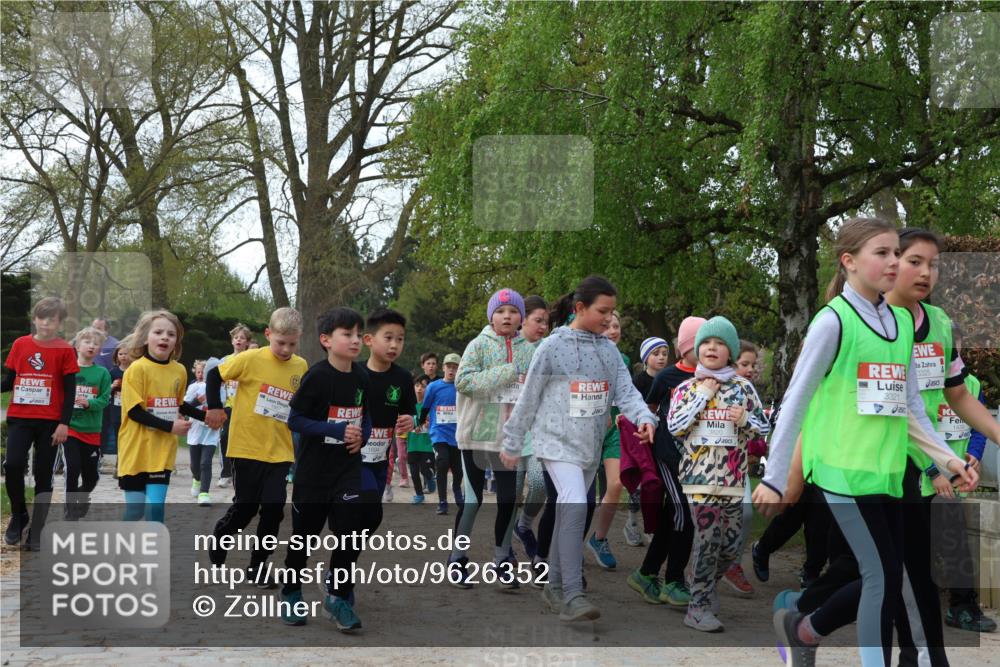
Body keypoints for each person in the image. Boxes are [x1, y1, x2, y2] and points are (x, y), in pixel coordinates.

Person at [753, 217, 977, 667]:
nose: (894, 262)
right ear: (849, 262)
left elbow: (911, 407)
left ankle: (804, 631)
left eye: (898, 253)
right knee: (881, 578)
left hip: (889, 476)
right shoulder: (832, 321)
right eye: (883, 253)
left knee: (890, 577)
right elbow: (796, 400)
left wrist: (947, 460)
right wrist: (776, 477)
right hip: (843, 474)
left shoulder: (897, 322)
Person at [500, 275, 657, 623]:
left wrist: (645, 417)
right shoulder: (551, 348)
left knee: (571, 512)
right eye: (603, 311)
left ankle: (554, 586)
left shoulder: (609, 351)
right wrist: (511, 441)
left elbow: (627, 393)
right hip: (555, 443)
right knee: (574, 505)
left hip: (589, 446)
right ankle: (572, 592)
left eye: (613, 312)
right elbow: (528, 399)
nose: (609, 318)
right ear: (580, 308)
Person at [884, 228, 1000, 649]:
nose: (925, 272)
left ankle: (925, 655)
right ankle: (809, 624)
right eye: (915, 261)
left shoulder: (941, 326)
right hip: (872, 466)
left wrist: (993, 435)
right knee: (868, 576)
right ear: (892, 262)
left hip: (922, 464)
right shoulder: (867, 322)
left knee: (915, 573)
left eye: (934, 265)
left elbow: (958, 395)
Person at [666, 316, 769, 631]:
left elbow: (764, 428)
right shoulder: (687, 388)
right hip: (699, 478)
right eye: (706, 342)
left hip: (734, 480)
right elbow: (675, 427)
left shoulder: (744, 388)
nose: (712, 348)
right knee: (708, 538)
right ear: (697, 349)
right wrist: (702, 396)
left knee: (729, 547)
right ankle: (697, 607)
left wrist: (745, 420)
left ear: (731, 352)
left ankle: (701, 583)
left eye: (720, 343)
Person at [280, 307, 371, 631]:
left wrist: (364, 438)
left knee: (350, 532)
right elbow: (296, 420)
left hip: (346, 469)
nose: (355, 340)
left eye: (358, 334)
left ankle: (337, 597)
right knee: (304, 538)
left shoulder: (361, 376)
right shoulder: (317, 376)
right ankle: (291, 590)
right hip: (313, 473)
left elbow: (366, 415)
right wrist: (334, 430)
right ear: (326, 340)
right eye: (347, 334)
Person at [205, 308, 307, 586]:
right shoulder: (250, 358)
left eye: (292, 343)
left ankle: (257, 567)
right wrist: (215, 408)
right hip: (246, 447)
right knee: (246, 508)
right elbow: (215, 375)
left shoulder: (301, 367)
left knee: (274, 509)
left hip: (280, 450)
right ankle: (221, 534)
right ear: (267, 334)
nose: (286, 349)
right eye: (280, 342)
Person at [448, 288, 535, 589]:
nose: (507, 316)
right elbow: (463, 381)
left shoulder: (530, 349)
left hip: (509, 440)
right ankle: (457, 557)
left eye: (513, 311)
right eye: (500, 311)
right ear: (491, 316)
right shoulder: (478, 345)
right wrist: (507, 372)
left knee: (509, 501)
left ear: (521, 317)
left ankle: (502, 559)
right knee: (472, 501)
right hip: (476, 435)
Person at [628, 316, 704, 607]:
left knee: (674, 517)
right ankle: (673, 580)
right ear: (685, 348)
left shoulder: (712, 378)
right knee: (683, 515)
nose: (710, 349)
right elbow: (648, 409)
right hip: (668, 455)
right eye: (703, 343)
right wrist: (647, 432)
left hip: (696, 459)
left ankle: (646, 573)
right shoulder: (666, 377)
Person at [2, 297, 79, 549]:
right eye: (42, 317)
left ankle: (38, 528)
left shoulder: (65, 349)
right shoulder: (21, 344)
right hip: (20, 418)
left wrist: (64, 424)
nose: (47, 322)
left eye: (53, 319)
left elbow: (70, 391)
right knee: (12, 465)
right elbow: (8, 381)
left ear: (59, 323)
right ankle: (19, 514)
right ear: (35, 319)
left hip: (50, 423)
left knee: (43, 474)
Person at [117, 310, 204, 523]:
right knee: (135, 512)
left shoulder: (180, 370)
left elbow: (179, 403)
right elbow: (135, 412)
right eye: (158, 332)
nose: (165, 337)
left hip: (161, 452)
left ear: (176, 342)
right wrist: (171, 427)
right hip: (135, 452)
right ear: (146, 338)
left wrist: (206, 416)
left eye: (171, 334)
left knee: (155, 511)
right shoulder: (136, 370)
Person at [361, 308, 416, 522]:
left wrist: (411, 420)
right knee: (365, 502)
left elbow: (411, 412)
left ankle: (346, 551)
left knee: (373, 516)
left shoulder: (402, 377)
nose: (394, 345)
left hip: (381, 457)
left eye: (400, 339)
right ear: (369, 339)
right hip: (353, 457)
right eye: (388, 338)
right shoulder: (355, 373)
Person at [512, 295, 550, 573]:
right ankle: (504, 552)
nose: (543, 327)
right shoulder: (506, 347)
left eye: (547, 322)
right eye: (538, 320)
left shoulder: (549, 350)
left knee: (540, 483)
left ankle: (524, 524)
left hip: (538, 432)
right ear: (522, 319)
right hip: (510, 433)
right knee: (510, 494)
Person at [64, 326, 112, 520]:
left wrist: (88, 403)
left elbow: (104, 399)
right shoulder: (68, 371)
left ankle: (82, 496)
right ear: (77, 345)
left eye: (96, 343)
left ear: (100, 349)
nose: (92, 346)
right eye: (87, 342)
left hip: (92, 431)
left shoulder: (102, 374)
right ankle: (70, 508)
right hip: (70, 428)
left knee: (91, 477)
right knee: (73, 467)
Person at [420, 353, 463, 515]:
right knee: (443, 463)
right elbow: (425, 407)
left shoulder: (461, 387)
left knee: (458, 470)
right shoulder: (434, 386)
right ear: (443, 368)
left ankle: (456, 488)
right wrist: (419, 422)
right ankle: (443, 501)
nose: (451, 370)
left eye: (455, 367)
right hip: (438, 433)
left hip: (457, 435)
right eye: (449, 366)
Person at [217, 323, 252, 488]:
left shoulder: (252, 360)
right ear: (232, 341)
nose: (239, 340)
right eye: (236, 337)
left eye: (242, 338)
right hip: (229, 405)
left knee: (244, 440)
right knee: (225, 437)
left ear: (247, 342)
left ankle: (243, 473)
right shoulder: (225, 360)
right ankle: (225, 473)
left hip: (246, 406)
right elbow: (217, 382)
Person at [185, 360, 221, 506]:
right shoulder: (194, 387)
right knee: (195, 465)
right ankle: (196, 479)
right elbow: (185, 407)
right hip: (195, 430)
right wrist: (197, 401)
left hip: (211, 432)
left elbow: (224, 407)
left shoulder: (221, 388)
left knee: (206, 463)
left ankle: (204, 493)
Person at [100, 340, 133, 476]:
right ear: (116, 356)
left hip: (131, 409)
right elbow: (104, 391)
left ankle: (126, 464)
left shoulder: (134, 371)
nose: (124, 356)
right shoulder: (112, 372)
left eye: (126, 353)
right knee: (119, 436)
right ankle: (119, 465)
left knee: (129, 438)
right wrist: (112, 386)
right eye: (121, 354)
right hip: (116, 409)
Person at [406, 374, 436, 504]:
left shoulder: (431, 405)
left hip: (427, 445)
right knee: (413, 471)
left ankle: (430, 478)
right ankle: (419, 495)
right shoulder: (407, 406)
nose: (419, 389)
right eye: (417, 385)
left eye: (423, 386)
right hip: (412, 444)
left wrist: (430, 424)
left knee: (425, 469)